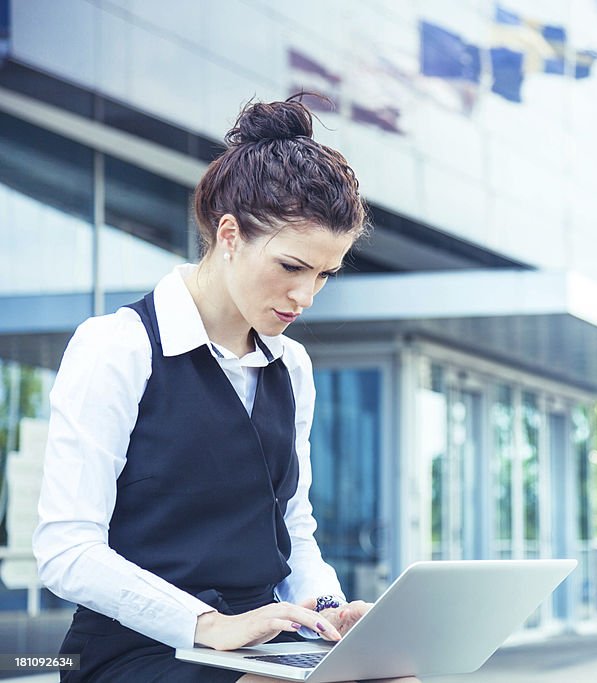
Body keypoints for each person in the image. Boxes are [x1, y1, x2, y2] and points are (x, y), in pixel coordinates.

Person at [33, 95, 416, 683]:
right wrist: (206, 623)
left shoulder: (293, 367)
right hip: (141, 647)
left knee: (388, 676)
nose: (305, 297)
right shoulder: (118, 347)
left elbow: (293, 527)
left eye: (324, 275)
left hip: (265, 641)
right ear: (229, 234)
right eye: (291, 267)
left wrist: (327, 613)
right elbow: (67, 551)